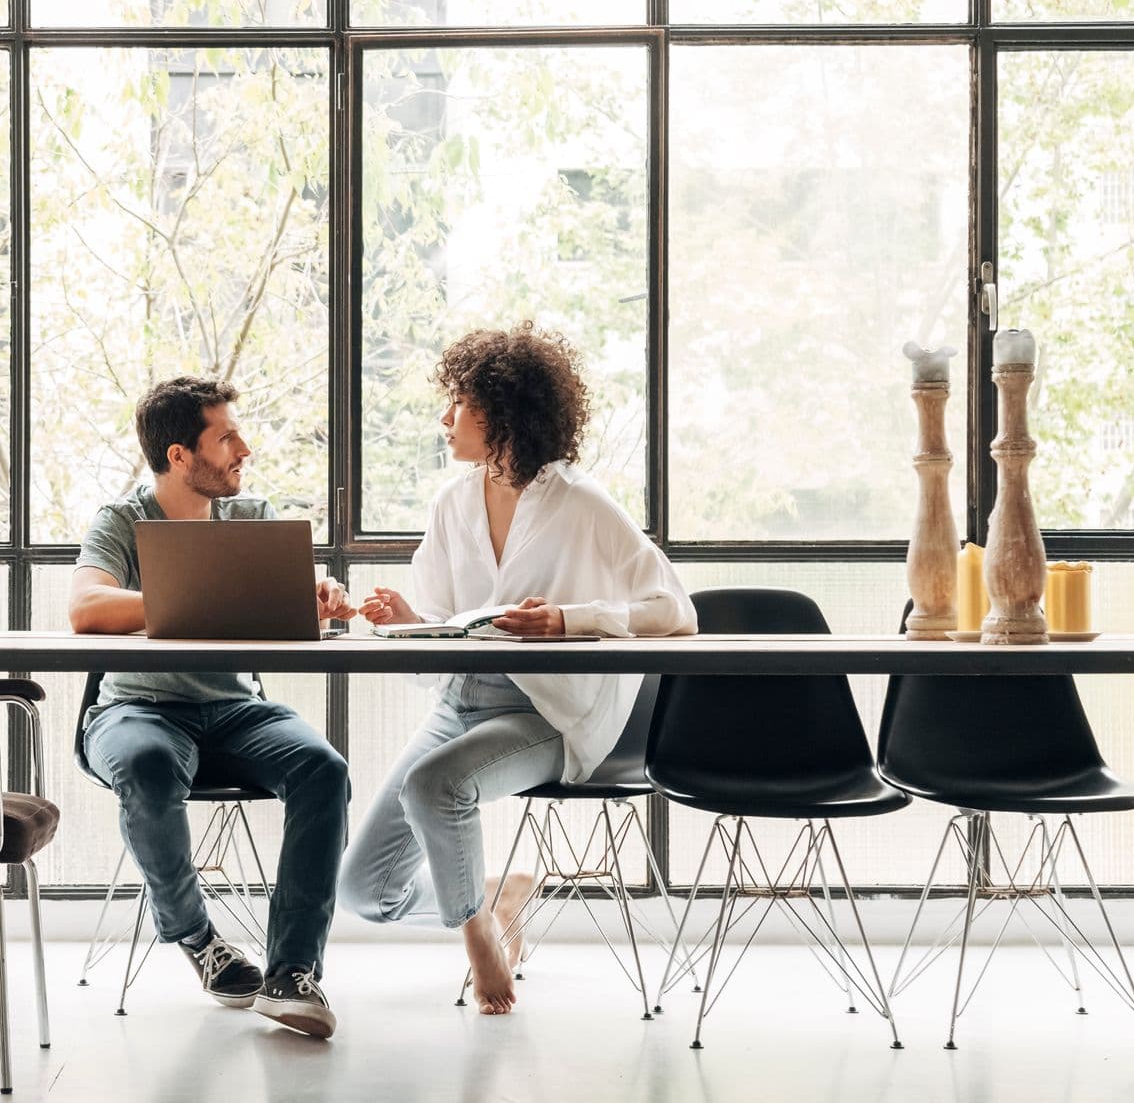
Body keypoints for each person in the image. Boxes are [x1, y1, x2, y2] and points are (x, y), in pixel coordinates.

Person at [341, 324, 695, 1015]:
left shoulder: (581, 503)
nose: (446, 419)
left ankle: (481, 944)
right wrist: (407, 618)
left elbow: (673, 608)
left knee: (434, 784)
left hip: (544, 708)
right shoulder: (452, 503)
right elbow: (443, 624)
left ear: (502, 414)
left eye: (460, 404)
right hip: (462, 698)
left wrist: (569, 618)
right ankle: (495, 896)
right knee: (364, 890)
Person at [72, 376, 356, 1038]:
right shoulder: (121, 520)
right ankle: (199, 938)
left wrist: (316, 593)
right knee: (145, 765)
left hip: (235, 709)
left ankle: (291, 973)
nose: (243, 448)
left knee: (324, 769)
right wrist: (189, 594)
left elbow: (288, 598)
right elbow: (87, 608)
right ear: (178, 455)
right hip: (136, 710)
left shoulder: (250, 518)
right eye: (225, 436)